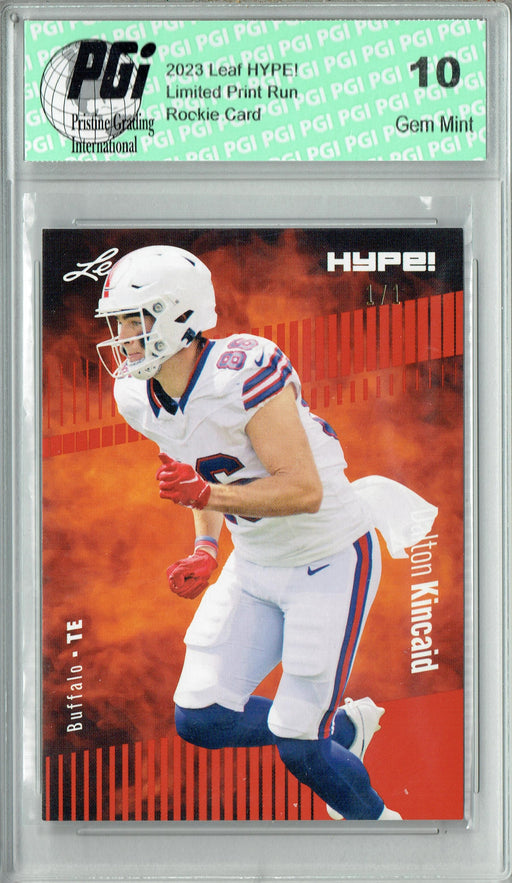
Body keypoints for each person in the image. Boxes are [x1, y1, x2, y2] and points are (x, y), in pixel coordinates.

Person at [96, 244, 437, 821]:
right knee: (201, 718)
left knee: (300, 746)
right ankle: (346, 728)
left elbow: (303, 490)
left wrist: (206, 497)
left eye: (135, 320)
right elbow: (194, 468)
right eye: (119, 322)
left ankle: (384, 831)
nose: (123, 337)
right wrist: (206, 546)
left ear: (179, 315)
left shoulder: (243, 370)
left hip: (328, 558)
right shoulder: (137, 395)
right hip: (254, 564)